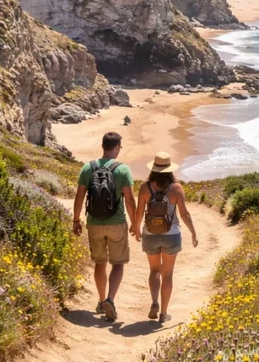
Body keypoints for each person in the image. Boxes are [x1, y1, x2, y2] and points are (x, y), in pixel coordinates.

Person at [73, 132, 138, 322]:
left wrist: (76, 220)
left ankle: (101, 301)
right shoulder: (122, 169)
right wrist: (134, 223)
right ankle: (110, 299)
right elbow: (130, 200)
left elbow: (79, 197)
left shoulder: (88, 168)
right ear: (116, 147)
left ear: (102, 146)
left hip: (94, 223)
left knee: (100, 263)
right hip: (116, 223)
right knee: (117, 263)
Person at [134, 151, 198, 324]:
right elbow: (184, 214)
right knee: (167, 273)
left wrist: (136, 228)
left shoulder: (145, 187)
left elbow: (139, 212)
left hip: (150, 234)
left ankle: (154, 301)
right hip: (171, 235)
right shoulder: (176, 188)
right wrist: (193, 232)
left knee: (154, 270)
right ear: (170, 169)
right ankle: (163, 313)